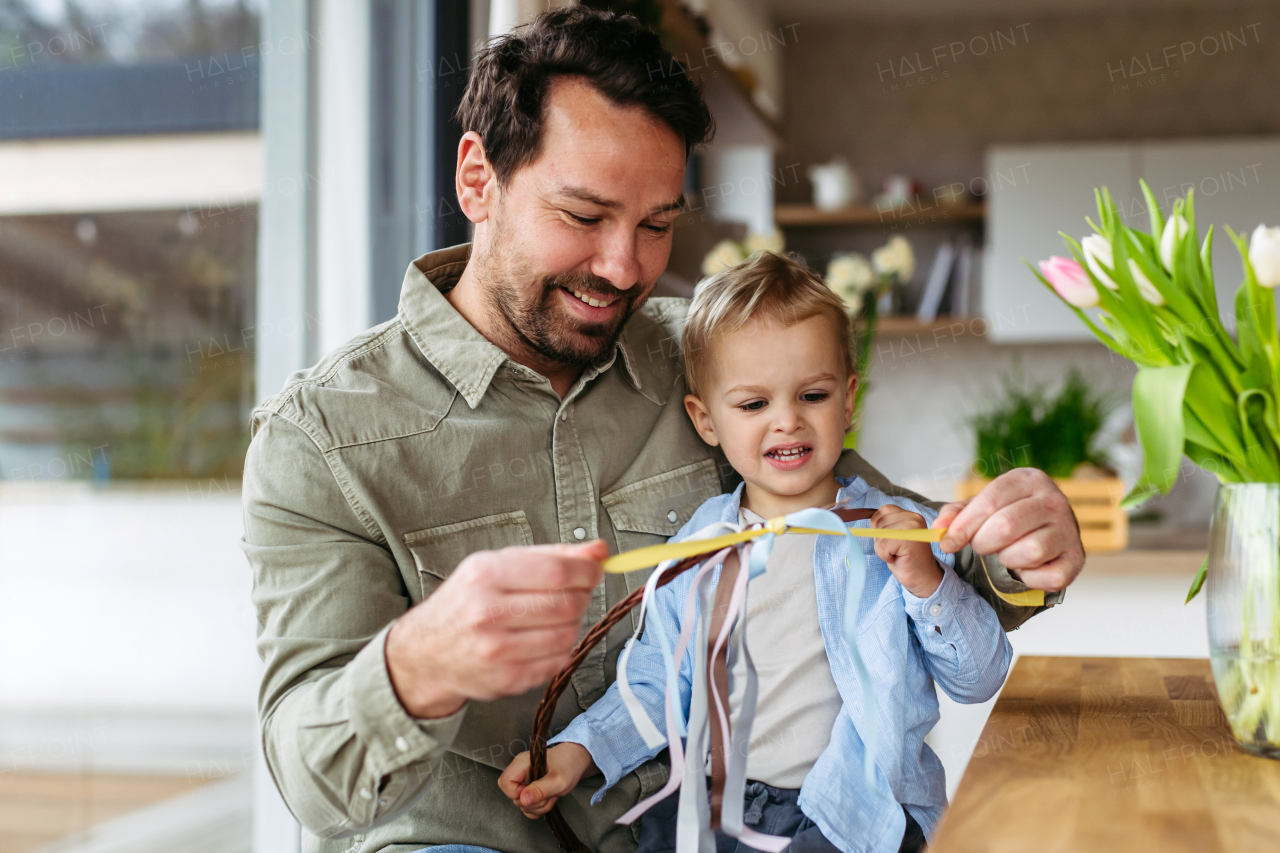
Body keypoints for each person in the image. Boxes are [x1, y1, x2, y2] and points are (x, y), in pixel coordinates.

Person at [242, 8, 1082, 853]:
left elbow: (896, 539)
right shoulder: (321, 437)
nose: (624, 267)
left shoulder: (715, 356)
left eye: (656, 223)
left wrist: (1019, 546)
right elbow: (310, 771)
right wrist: (417, 662)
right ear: (476, 180)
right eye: (583, 215)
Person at [498, 252, 1012, 853]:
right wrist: (576, 751)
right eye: (753, 404)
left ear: (849, 401)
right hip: (713, 810)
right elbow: (658, 680)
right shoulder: (697, 546)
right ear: (706, 420)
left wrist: (928, 585)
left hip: (849, 812)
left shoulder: (903, 534)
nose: (787, 422)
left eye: (812, 396)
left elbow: (979, 678)